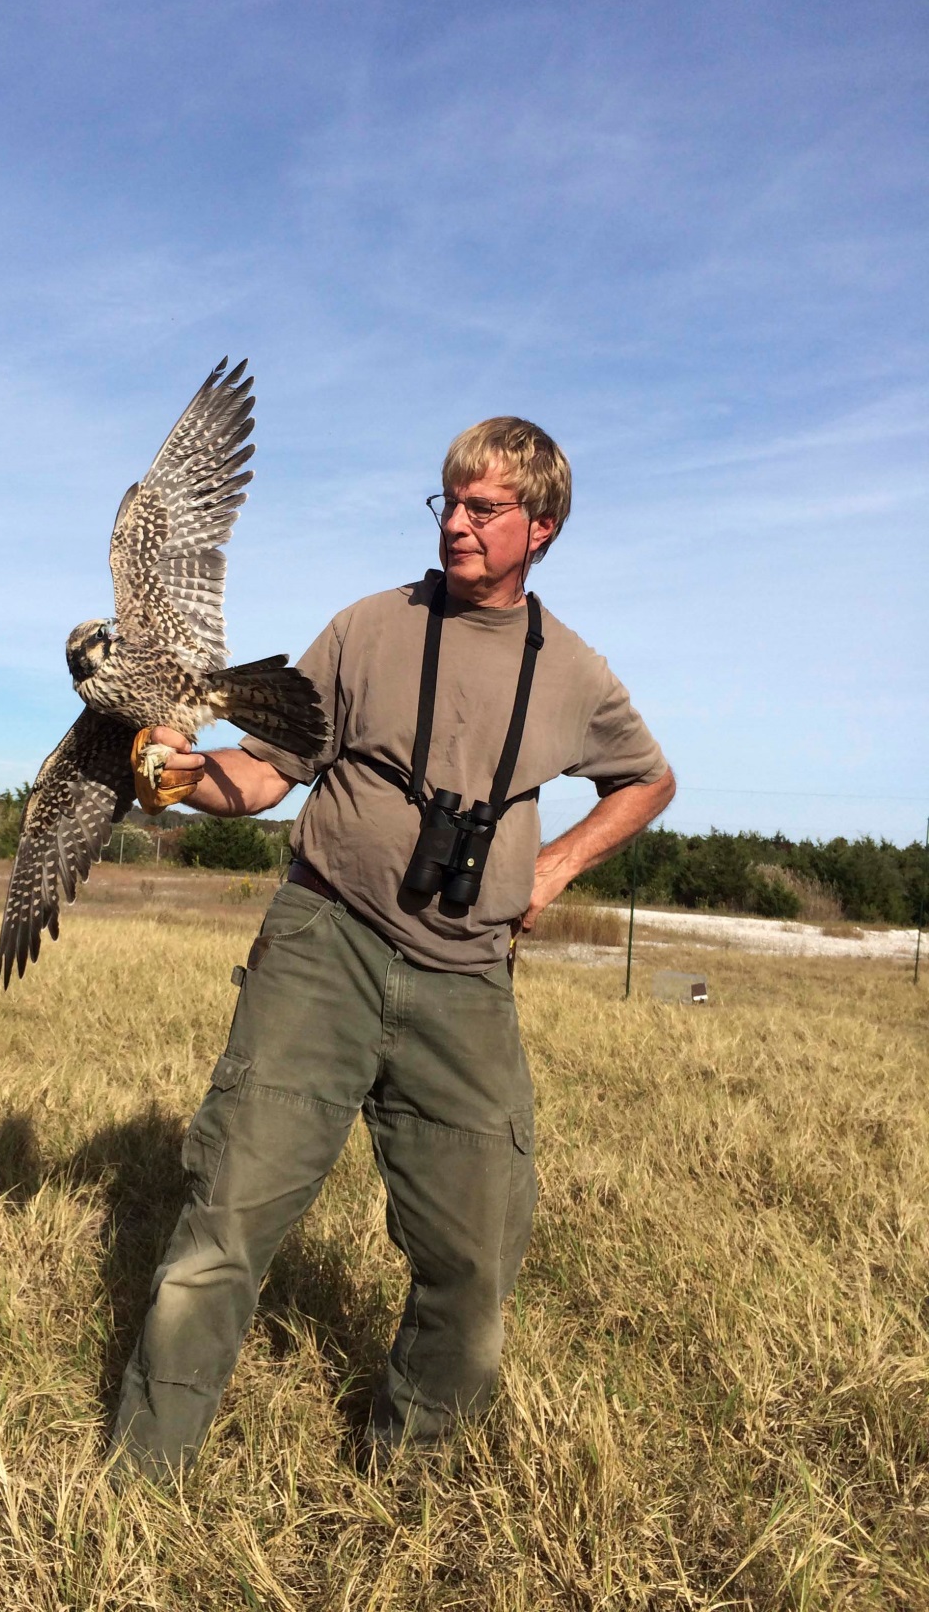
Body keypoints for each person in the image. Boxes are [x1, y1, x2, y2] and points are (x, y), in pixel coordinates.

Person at [110, 417, 675, 1476]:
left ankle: (404, 1480)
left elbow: (647, 781)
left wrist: (547, 870)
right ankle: (141, 1478)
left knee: (473, 1258)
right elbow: (268, 775)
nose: (454, 525)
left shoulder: (576, 674)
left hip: (467, 981)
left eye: (481, 508)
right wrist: (180, 776)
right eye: (446, 503)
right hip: (326, 945)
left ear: (540, 527)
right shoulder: (367, 628)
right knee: (225, 1220)